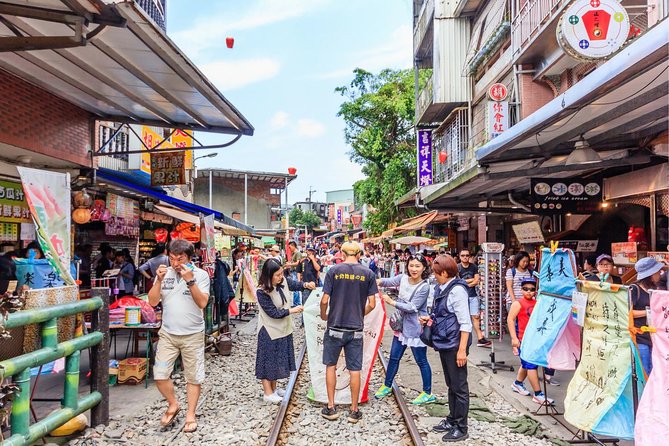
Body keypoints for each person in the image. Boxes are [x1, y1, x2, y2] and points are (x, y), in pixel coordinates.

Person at [148, 239, 211, 434]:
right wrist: (158, 280)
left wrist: (190, 280)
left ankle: (190, 414)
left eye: (180, 258)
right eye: (172, 258)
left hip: (192, 333)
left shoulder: (201, 275)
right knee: (159, 374)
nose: (175, 263)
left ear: (189, 258)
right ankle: (173, 404)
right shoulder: (163, 274)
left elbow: (202, 303)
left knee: (193, 377)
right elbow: (152, 301)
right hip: (168, 333)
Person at [319, 242, 377, 423]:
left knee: (331, 365)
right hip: (355, 329)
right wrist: (360, 314)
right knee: (354, 369)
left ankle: (331, 407)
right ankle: (354, 410)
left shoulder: (333, 271)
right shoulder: (368, 273)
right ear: (359, 254)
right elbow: (373, 304)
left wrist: (324, 315)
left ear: (342, 253)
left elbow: (324, 300)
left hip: (335, 326)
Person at [422, 254, 471, 442]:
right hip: (445, 342)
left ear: (444, 272)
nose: (434, 276)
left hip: (454, 345)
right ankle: (452, 419)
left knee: (459, 386)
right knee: (451, 384)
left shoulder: (457, 290)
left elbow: (465, 322)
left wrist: (461, 350)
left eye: (436, 272)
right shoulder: (443, 287)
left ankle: (461, 426)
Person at [375, 254, 434, 405]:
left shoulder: (424, 286)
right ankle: (387, 385)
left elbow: (412, 307)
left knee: (421, 361)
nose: (414, 269)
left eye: (417, 266)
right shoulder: (402, 278)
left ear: (424, 268)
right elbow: (386, 282)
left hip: (415, 328)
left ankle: (427, 392)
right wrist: (372, 281)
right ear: (407, 265)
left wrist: (391, 302)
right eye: (411, 265)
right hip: (400, 327)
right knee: (394, 358)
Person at [255, 259, 315, 403]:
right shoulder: (261, 291)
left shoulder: (283, 282)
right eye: (277, 275)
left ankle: (274, 390)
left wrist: (306, 284)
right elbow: (273, 313)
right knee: (267, 361)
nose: (281, 277)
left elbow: (295, 284)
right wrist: (292, 310)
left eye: (281, 273)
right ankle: (267, 392)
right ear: (269, 275)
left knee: (275, 361)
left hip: (283, 329)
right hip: (269, 331)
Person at [507, 278, 554, 405]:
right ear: (521, 290)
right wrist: (514, 338)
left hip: (535, 339)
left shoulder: (538, 303)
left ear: (535, 291)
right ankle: (538, 394)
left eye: (532, 289)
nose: (529, 292)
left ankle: (517, 384)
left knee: (528, 364)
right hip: (523, 339)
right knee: (531, 365)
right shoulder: (518, 303)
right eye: (526, 289)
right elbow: (510, 320)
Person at [630, 257, 665, 375]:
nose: (660, 273)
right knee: (645, 371)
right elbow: (628, 313)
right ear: (650, 275)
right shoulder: (634, 289)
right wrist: (649, 312)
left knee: (655, 370)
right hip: (640, 337)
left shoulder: (656, 289)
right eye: (657, 271)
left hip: (654, 337)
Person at [457, 249, 491, 348]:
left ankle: (480, 338)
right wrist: (471, 280)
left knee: (475, 317)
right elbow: (458, 281)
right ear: (460, 257)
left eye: (467, 255)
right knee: (461, 318)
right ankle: (461, 339)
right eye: (463, 255)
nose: (465, 257)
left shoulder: (474, 267)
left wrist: (466, 282)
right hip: (461, 297)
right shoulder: (457, 267)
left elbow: (476, 281)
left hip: (472, 296)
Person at [284, 241, 303, 307]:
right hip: (293, 271)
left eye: (290, 247)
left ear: (293, 246)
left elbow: (298, 263)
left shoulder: (297, 253)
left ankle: (296, 303)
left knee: (296, 287)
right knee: (295, 286)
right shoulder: (294, 253)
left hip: (296, 272)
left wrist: (290, 264)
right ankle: (296, 302)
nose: (289, 249)